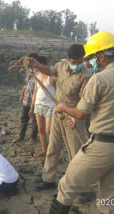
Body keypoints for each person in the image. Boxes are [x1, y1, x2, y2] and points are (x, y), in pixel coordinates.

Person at [50, 31, 114, 214]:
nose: (91, 62)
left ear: (101, 56)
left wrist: (63, 106)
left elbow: (80, 113)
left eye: (92, 57)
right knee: (108, 199)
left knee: (66, 186)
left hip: (103, 144)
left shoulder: (99, 79)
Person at [33, 44, 92, 191]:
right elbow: (50, 71)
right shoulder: (61, 65)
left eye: (80, 62)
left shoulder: (87, 77)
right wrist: (38, 65)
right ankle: (48, 179)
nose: (77, 65)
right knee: (53, 148)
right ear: (68, 59)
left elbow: (87, 102)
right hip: (57, 113)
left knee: (76, 153)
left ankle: (80, 187)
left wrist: (77, 118)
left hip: (74, 117)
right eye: (74, 62)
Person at [29, 56, 57, 157]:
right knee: (40, 130)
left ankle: (53, 151)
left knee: (49, 130)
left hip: (50, 106)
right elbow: (35, 92)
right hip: (38, 105)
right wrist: (32, 107)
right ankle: (45, 151)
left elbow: (59, 93)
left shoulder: (53, 77)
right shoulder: (38, 76)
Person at [12, 53, 39, 145]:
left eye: (30, 60)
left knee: (35, 120)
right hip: (27, 99)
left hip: (36, 100)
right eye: (28, 60)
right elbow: (25, 84)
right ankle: (21, 136)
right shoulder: (28, 71)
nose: (28, 62)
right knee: (24, 118)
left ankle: (33, 138)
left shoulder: (40, 73)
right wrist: (22, 95)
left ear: (35, 61)